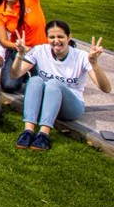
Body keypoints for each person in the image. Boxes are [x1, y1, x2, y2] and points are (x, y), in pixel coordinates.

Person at [10, 21, 109, 151]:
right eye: (52, 37)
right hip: (48, 102)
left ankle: (43, 134)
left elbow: (106, 89)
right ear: (47, 38)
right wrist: (20, 55)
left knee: (53, 84)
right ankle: (28, 131)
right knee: (35, 80)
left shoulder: (82, 56)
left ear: (69, 37)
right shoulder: (39, 50)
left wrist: (94, 64)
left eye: (61, 37)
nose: (56, 41)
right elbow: (15, 74)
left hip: (72, 106)